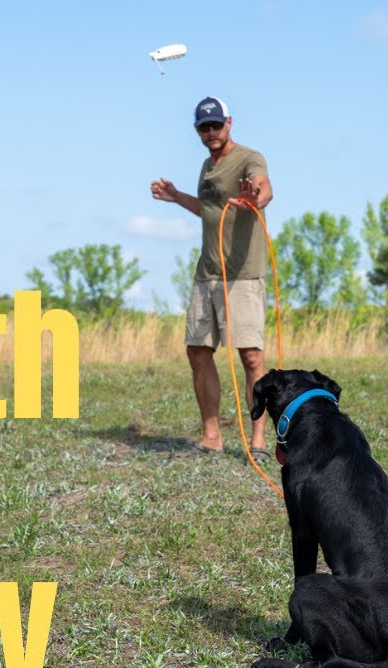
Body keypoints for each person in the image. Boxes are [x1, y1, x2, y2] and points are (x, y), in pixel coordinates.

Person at [150, 96, 274, 463]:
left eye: (215, 125)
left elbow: (264, 187)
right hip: (207, 273)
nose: (210, 132)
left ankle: (258, 440)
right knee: (198, 351)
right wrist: (175, 197)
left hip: (243, 274)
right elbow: (209, 210)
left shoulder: (249, 158)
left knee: (251, 356)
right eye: (203, 127)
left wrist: (256, 197)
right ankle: (212, 436)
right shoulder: (206, 166)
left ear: (229, 123)